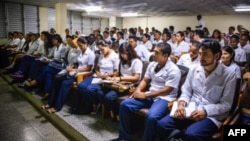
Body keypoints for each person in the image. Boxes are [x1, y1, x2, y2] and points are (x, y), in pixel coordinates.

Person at [157, 40, 237, 141]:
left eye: (205, 54)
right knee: (162, 124)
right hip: (190, 108)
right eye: (200, 54)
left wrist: (205, 111)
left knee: (191, 135)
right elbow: (186, 91)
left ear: (216, 56)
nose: (201, 58)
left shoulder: (229, 75)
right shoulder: (194, 69)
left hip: (211, 116)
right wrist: (181, 104)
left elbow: (226, 104)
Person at [111, 42, 181, 141]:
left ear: (165, 55)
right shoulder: (152, 64)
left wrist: (145, 95)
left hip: (164, 98)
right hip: (150, 94)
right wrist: (138, 91)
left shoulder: (174, 70)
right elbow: (145, 80)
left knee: (151, 117)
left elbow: (166, 90)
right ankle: (124, 137)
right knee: (124, 105)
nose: (153, 54)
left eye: (156, 53)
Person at [41, 36, 95, 113]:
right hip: (74, 71)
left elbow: (88, 68)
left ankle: (57, 107)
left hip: (81, 74)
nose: (79, 47)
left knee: (64, 83)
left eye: (81, 45)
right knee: (56, 79)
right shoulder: (80, 51)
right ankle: (50, 103)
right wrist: (71, 67)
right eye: (79, 45)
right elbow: (76, 62)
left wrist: (74, 69)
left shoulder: (91, 54)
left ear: (86, 44)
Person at [97, 42, 142, 121]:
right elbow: (118, 72)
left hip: (129, 86)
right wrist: (112, 78)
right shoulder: (122, 61)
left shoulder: (136, 61)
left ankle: (117, 114)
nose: (122, 55)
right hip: (119, 83)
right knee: (99, 92)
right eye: (121, 54)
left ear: (130, 52)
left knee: (109, 97)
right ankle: (113, 112)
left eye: (124, 54)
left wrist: (120, 78)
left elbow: (136, 77)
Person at [76, 40, 119, 114]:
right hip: (97, 76)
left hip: (106, 79)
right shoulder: (102, 55)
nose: (101, 51)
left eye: (102, 49)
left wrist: (108, 76)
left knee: (89, 89)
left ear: (107, 46)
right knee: (80, 86)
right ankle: (89, 104)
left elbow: (116, 72)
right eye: (99, 50)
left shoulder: (115, 56)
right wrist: (98, 73)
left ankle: (93, 105)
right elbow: (96, 68)